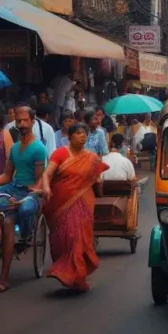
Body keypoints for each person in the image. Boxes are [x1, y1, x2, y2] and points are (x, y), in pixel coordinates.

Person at [39, 123, 109, 291]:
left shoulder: (91, 157)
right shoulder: (60, 153)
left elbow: (98, 179)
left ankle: (74, 276)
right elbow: (47, 173)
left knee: (77, 238)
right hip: (59, 203)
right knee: (65, 238)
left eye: (84, 133)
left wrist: (99, 184)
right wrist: (46, 187)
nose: (82, 136)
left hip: (83, 203)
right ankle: (66, 271)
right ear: (69, 137)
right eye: (78, 133)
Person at [0, 106, 47, 294]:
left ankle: (25, 233)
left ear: (32, 121)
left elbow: (38, 181)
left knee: (24, 210)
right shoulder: (14, 148)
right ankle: (2, 275)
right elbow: (6, 176)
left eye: (25, 120)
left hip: (31, 193)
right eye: (18, 121)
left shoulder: (38, 148)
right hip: (13, 188)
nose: (21, 124)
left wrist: (24, 199)